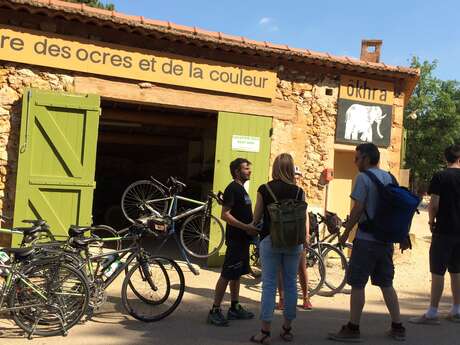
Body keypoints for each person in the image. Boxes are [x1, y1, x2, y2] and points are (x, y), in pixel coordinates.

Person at [328, 143, 410, 342]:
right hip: (385, 240)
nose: (355, 162)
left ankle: (353, 328)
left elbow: (358, 209)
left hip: (366, 240)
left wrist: (346, 233)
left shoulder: (363, 178)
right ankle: (398, 327)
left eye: (357, 158)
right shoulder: (389, 177)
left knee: (357, 284)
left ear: (366, 158)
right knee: (386, 284)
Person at [249, 153, 306, 344]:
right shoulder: (299, 192)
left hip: (269, 240)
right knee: (291, 283)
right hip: (293, 243)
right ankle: (287, 329)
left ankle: (265, 332)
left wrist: (250, 226)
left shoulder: (264, 189)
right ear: (291, 169)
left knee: (269, 284)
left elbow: (256, 218)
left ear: (274, 168)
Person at [409, 144, 460, 325]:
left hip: (444, 230)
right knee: (457, 270)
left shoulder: (440, 176)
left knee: (438, 270)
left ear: (446, 158)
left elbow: (434, 204)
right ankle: (456, 309)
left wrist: (431, 222)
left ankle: (432, 312)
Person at [207, 158, 258, 327]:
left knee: (236, 274)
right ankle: (214, 310)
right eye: (246, 168)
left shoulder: (241, 189)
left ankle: (234, 307)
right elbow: (225, 214)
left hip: (243, 240)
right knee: (227, 274)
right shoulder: (232, 189)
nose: (249, 171)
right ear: (237, 171)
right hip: (236, 240)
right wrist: (245, 227)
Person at [276, 166, 312, 311]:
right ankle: (282, 299)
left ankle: (306, 297)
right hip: (283, 232)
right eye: (295, 176)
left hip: (298, 233)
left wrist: (306, 233)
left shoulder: (300, 193)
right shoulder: (285, 191)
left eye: (298, 177)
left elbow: (306, 215)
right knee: (280, 268)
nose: (296, 179)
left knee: (301, 267)